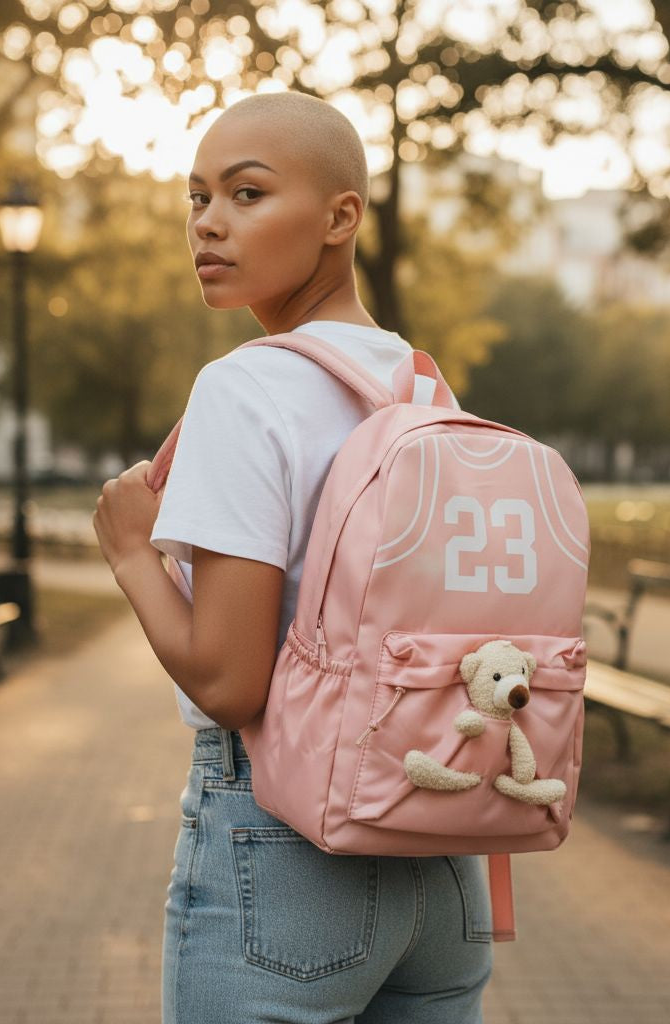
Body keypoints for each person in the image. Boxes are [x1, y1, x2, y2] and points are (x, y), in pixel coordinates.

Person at [92, 90, 494, 1024]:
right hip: (443, 852)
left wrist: (132, 555)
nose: (208, 223)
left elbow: (231, 685)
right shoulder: (422, 386)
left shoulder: (243, 387)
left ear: (340, 217)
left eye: (248, 193)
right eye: (198, 198)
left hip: (284, 843)